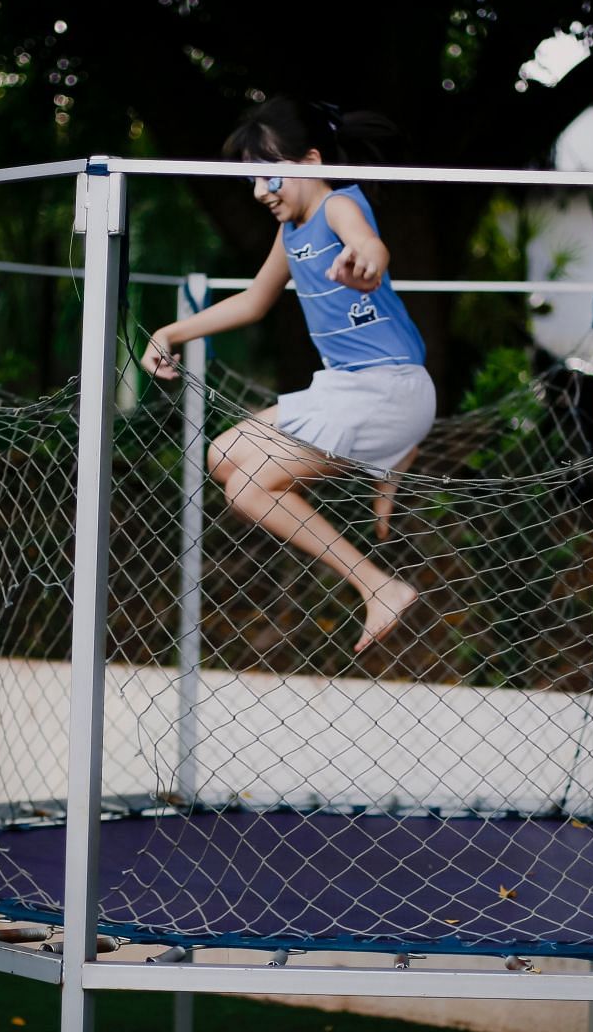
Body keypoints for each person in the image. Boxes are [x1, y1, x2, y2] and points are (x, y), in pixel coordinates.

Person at [141, 96, 434, 655]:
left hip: (389, 391)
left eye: (269, 174)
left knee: (250, 488)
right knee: (221, 458)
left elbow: (368, 243)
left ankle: (380, 586)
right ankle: (392, 457)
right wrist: (171, 332)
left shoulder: (339, 204)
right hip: (349, 388)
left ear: (312, 162)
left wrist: (365, 261)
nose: (259, 192)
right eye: (252, 180)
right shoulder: (292, 233)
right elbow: (253, 300)